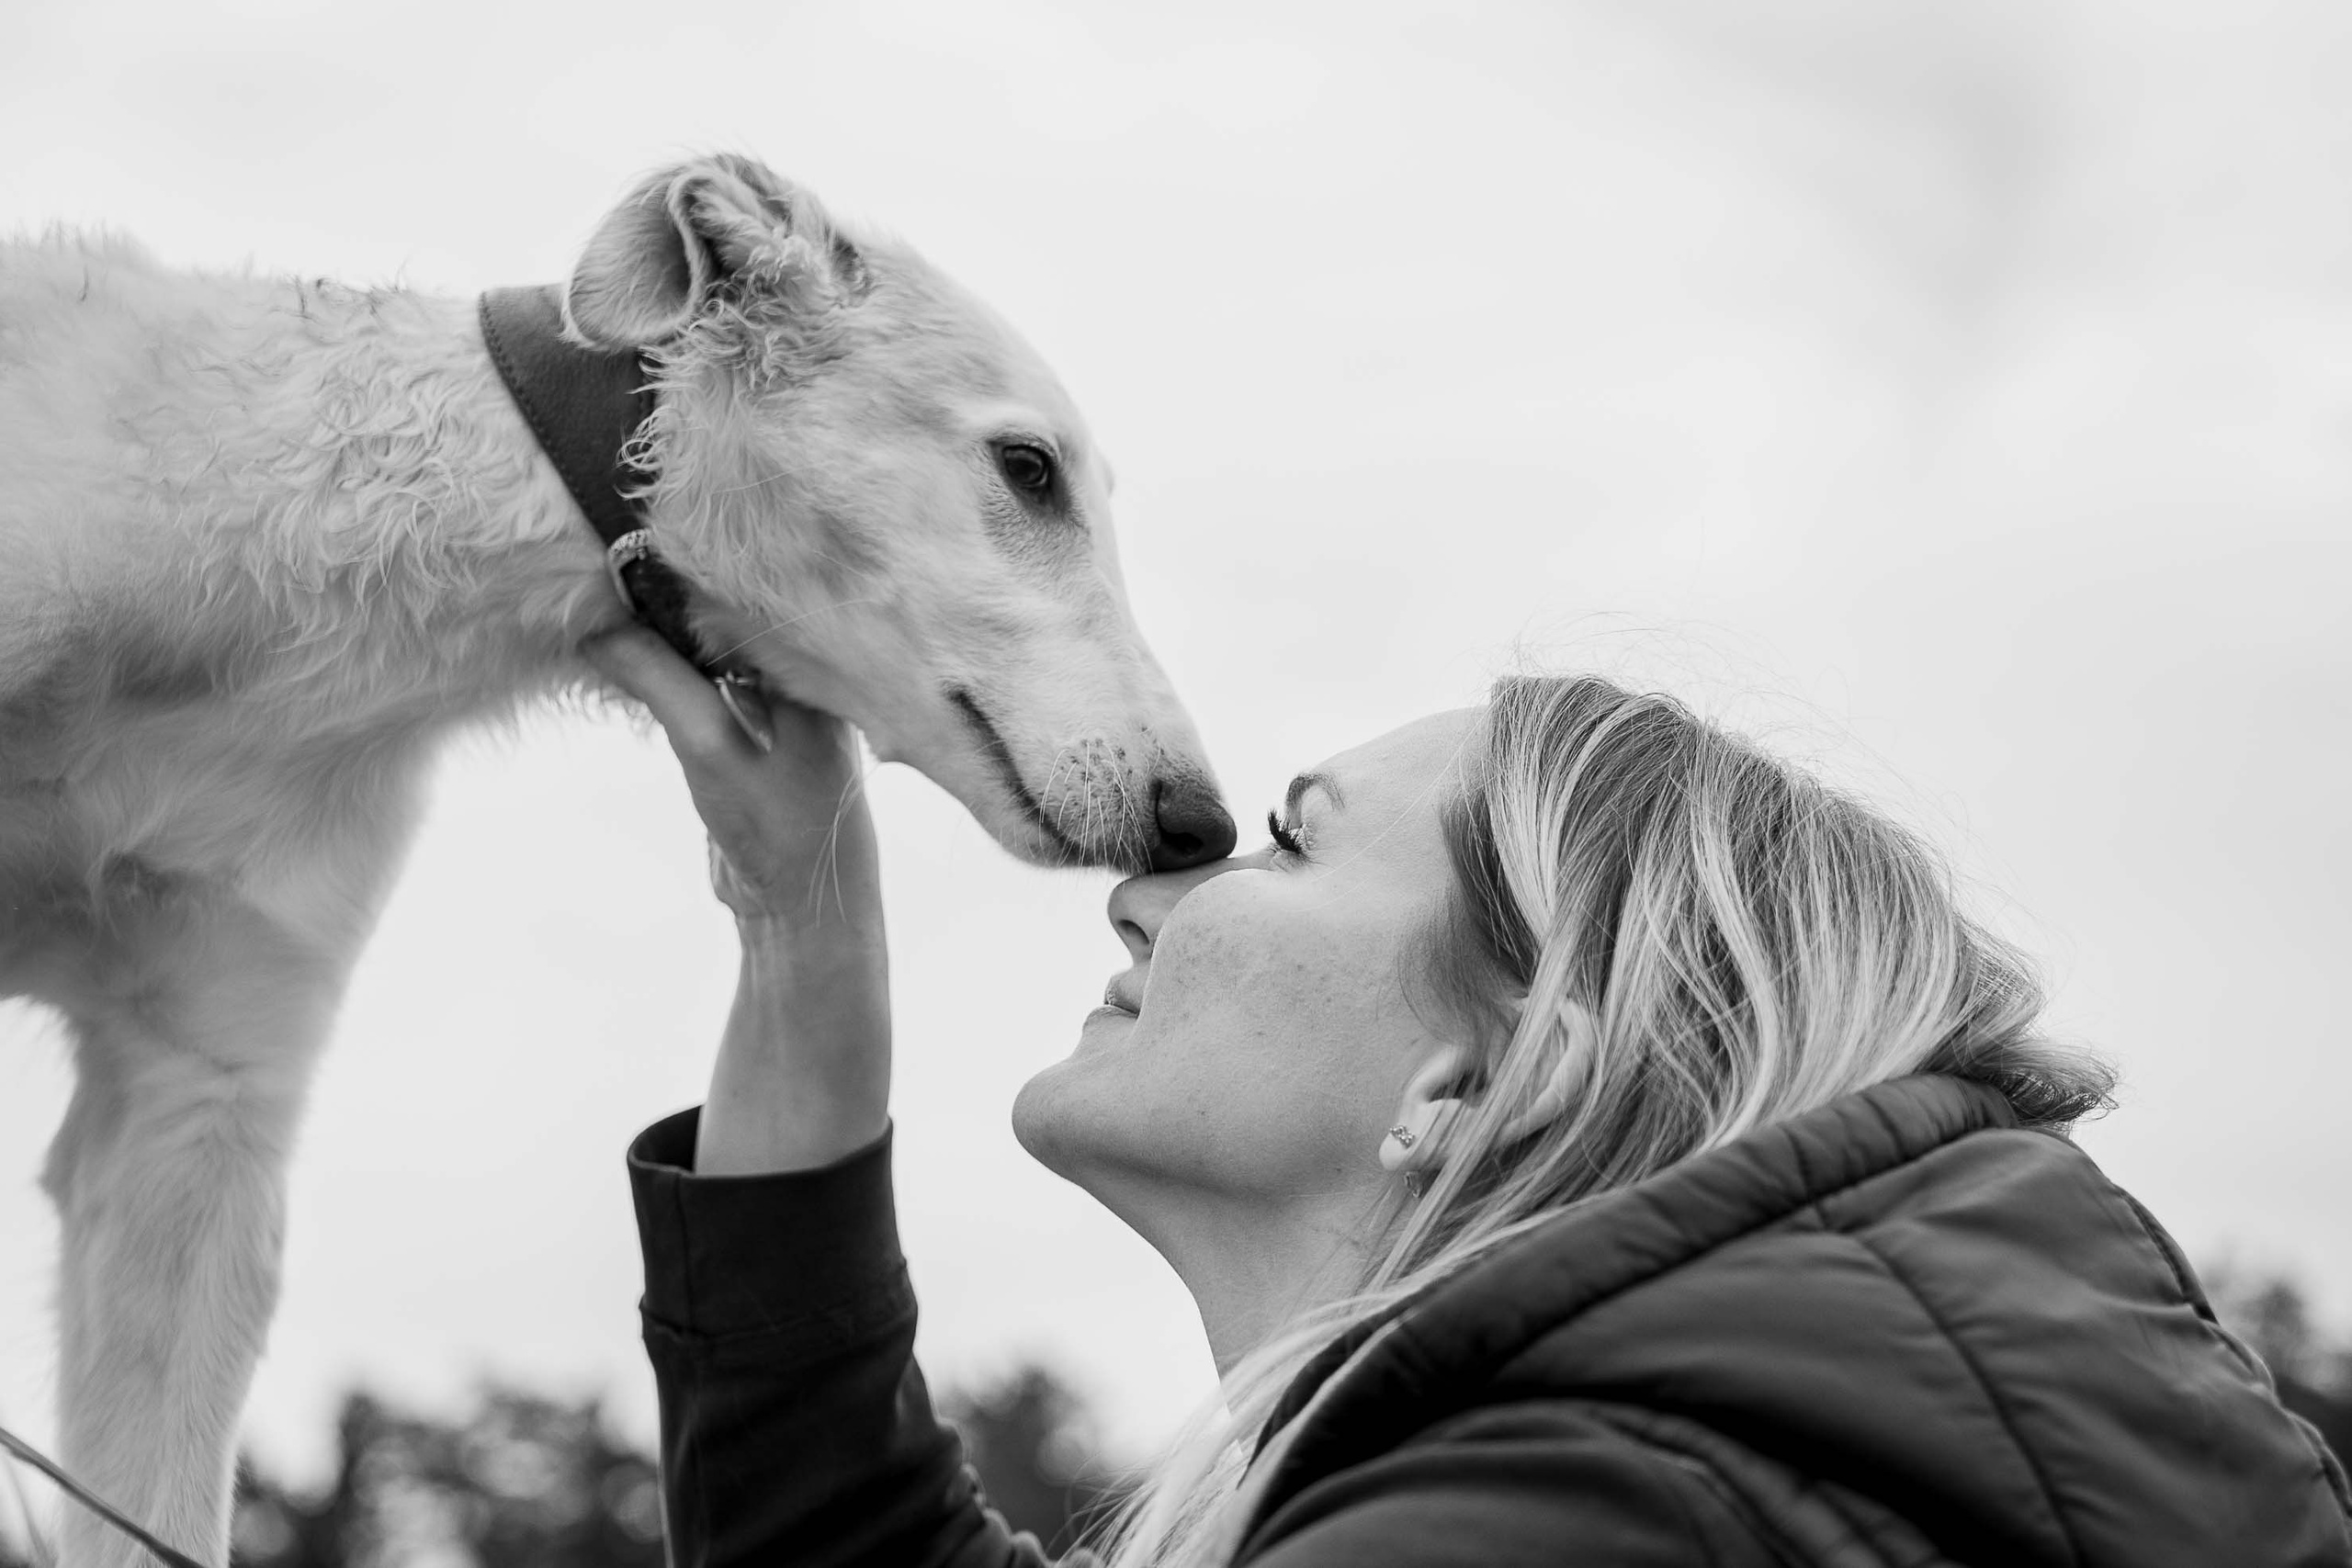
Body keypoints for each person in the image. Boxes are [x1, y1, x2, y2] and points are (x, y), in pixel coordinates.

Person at [583, 625, 2352, 1568]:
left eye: (1287, 843)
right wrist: (801, 928)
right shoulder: (1684, 1468)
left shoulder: (1597, 1517)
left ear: (1495, 1074)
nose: (1135, 888)